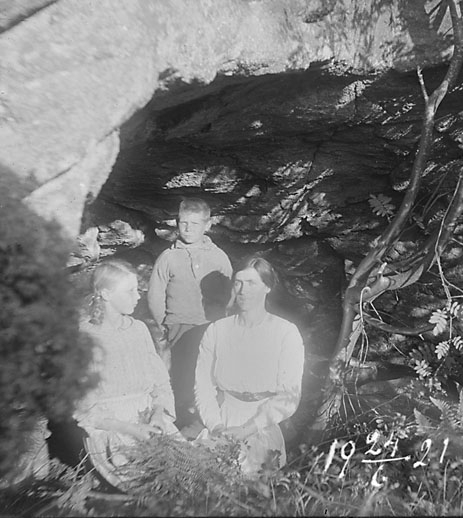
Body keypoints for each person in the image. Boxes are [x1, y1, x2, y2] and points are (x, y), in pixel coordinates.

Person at [194, 257, 305, 475]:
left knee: (256, 485)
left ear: (267, 287)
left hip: (263, 423)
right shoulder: (217, 331)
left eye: (252, 283)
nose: (243, 291)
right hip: (223, 420)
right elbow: (203, 386)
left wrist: (248, 429)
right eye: (238, 283)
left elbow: (289, 397)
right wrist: (216, 427)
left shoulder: (285, 332)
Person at [74, 260, 179, 488]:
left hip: (150, 421)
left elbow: (160, 383)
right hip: (113, 432)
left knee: (188, 475)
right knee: (150, 487)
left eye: (137, 290)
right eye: (130, 291)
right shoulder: (85, 337)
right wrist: (131, 429)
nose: (138, 297)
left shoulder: (139, 330)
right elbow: (86, 409)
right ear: (106, 294)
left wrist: (158, 414)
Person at [147, 198, 232, 426]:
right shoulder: (168, 257)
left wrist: (221, 322)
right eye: (183, 223)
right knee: (182, 373)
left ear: (208, 225)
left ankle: (209, 421)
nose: (188, 228)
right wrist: (165, 323)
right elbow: (155, 295)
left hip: (209, 325)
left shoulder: (218, 257)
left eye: (195, 224)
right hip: (179, 326)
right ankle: (183, 420)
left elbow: (228, 293)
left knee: (209, 373)